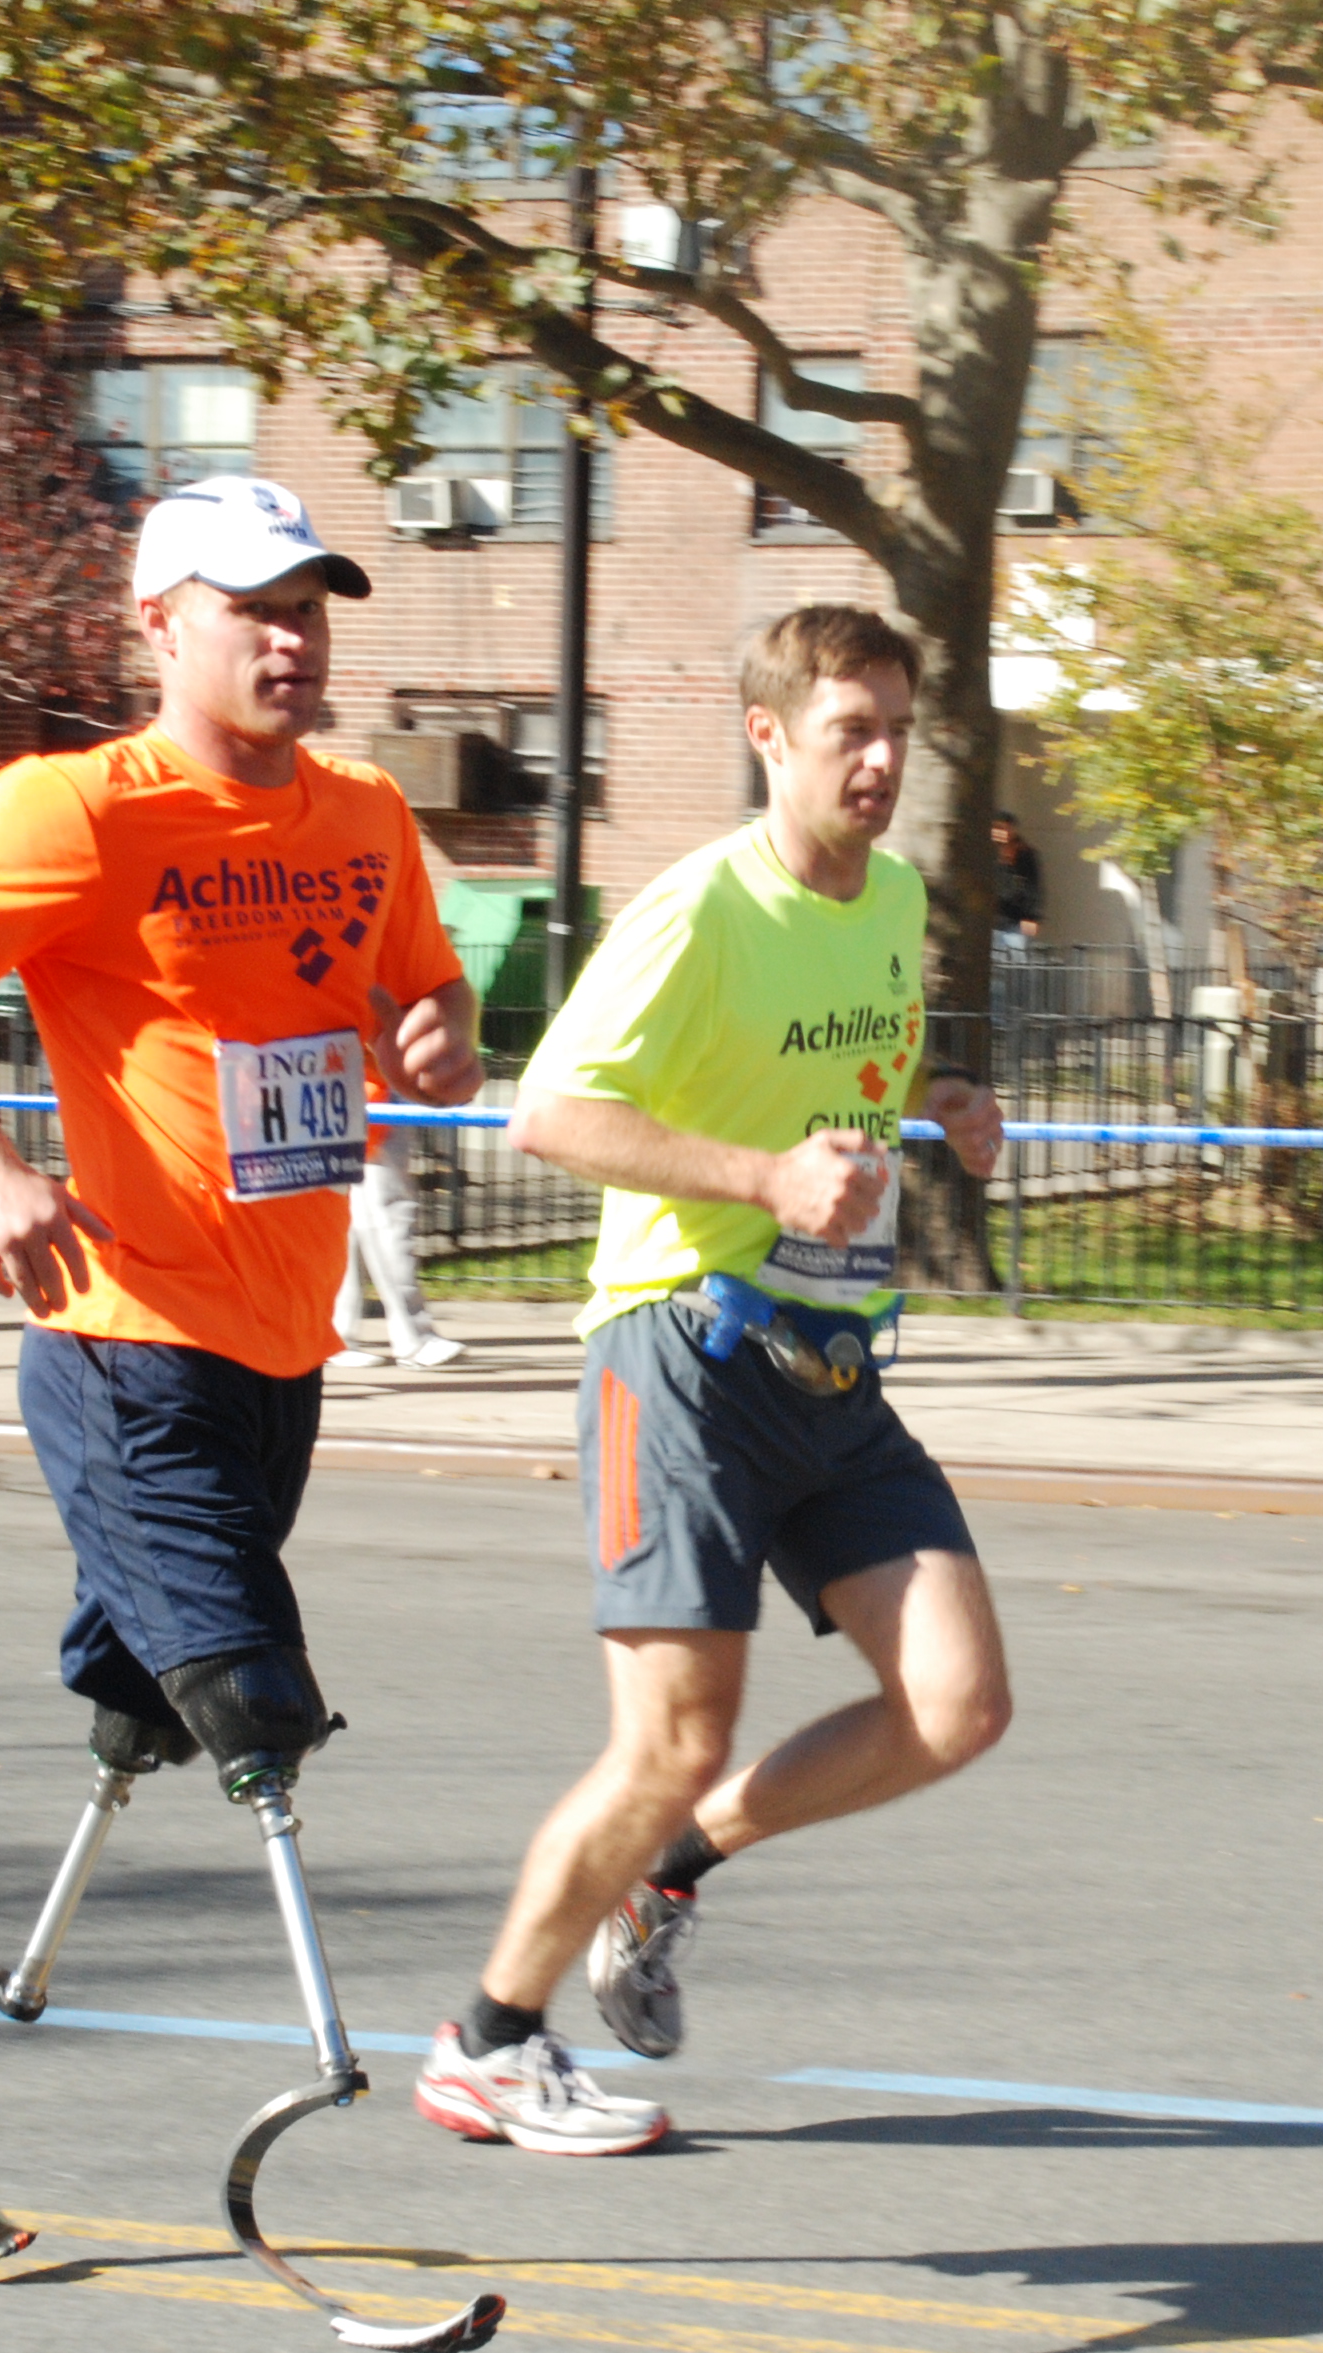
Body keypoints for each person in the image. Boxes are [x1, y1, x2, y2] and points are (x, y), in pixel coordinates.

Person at [417, 603, 1013, 2159]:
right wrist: (761, 1174)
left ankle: (672, 1864)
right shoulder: (697, 911)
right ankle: (487, 2043)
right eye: (851, 731)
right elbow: (548, 1112)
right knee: (670, 1731)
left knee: (957, 1703)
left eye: (899, 730)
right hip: (678, 1352)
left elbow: (856, 1066)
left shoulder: (891, 896)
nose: (882, 760)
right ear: (769, 735)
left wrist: (946, 1096)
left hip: (830, 1362)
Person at [0, 474, 480, 1839]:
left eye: (308, 610)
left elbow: (424, 990)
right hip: (130, 1344)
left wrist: (441, 1036)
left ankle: (95, 1772)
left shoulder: (366, 811)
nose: (291, 638)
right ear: (160, 625)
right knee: (254, 1702)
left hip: (284, 1349)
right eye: (254, 610)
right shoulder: (77, 808)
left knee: (148, 1699)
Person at [332, 1122, 467, 1369]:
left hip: (352, 1108)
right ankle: (413, 1337)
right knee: (384, 1209)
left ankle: (336, 1334)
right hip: (372, 1108)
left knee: (353, 1211)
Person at [989, 811, 1045, 939]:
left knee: (1015, 949)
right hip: (992, 918)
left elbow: (1033, 887)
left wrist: (1032, 917)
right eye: (995, 828)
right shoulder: (986, 853)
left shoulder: (1025, 854)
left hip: (1016, 919)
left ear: (1012, 830)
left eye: (1002, 828)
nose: (998, 832)